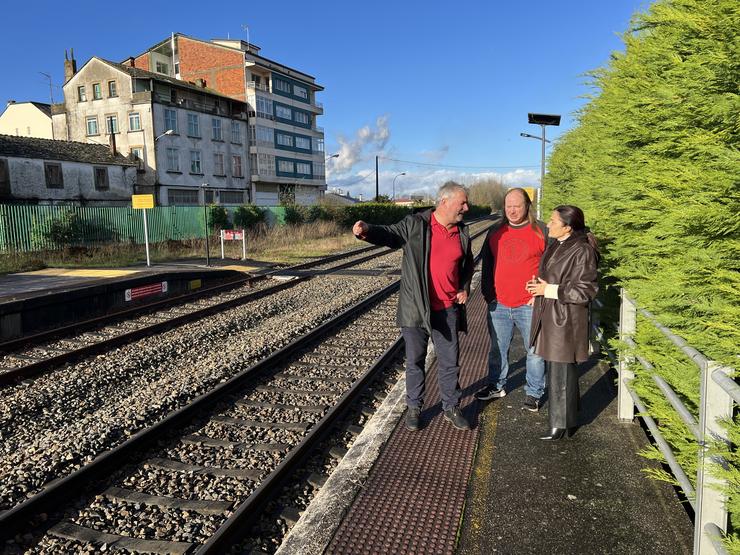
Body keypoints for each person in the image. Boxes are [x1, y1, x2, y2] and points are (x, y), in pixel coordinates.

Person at [352, 183, 474, 431]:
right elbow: (390, 234)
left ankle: (451, 406)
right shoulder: (416, 224)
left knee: (450, 361)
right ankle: (415, 407)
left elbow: (467, 264)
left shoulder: (462, 232)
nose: (466, 207)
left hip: (447, 307)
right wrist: (366, 231)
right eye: (462, 203)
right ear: (444, 202)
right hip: (416, 307)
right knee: (415, 360)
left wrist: (464, 286)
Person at [526, 205, 599, 440]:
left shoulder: (582, 250)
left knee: (560, 369)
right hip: (554, 313)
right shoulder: (559, 245)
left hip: (565, 319)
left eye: (553, 221)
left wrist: (548, 289)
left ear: (567, 227)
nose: (548, 224)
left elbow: (585, 290)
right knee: (560, 368)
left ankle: (560, 424)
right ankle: (568, 419)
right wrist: (538, 290)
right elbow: (553, 278)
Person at [475, 188, 547, 412]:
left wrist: (541, 293)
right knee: (497, 349)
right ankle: (496, 385)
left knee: (534, 351)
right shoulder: (496, 231)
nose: (512, 210)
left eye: (517, 205)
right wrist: (489, 294)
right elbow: (486, 265)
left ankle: (534, 392)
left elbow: (552, 266)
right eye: (508, 206)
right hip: (499, 304)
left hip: (529, 304)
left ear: (527, 206)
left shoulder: (542, 230)